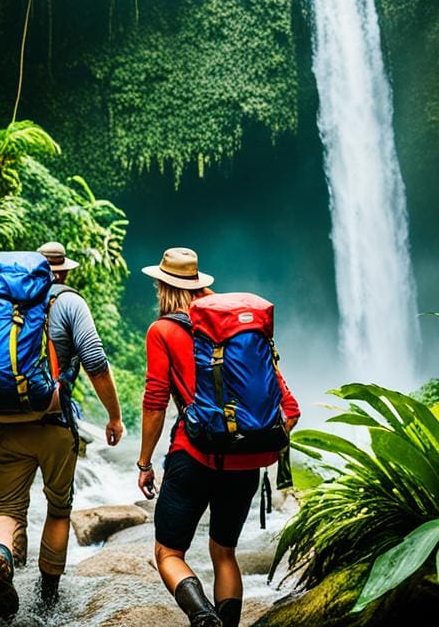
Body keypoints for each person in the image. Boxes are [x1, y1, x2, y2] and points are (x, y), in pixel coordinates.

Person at [136, 248, 300, 627]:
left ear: (162, 286)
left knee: (168, 553)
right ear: (199, 285)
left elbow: (155, 402)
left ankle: (201, 615)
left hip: (191, 457)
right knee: (224, 552)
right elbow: (289, 408)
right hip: (245, 465)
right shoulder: (240, 331)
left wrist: (145, 463)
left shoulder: (162, 330)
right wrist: (250, 440)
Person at [0, 241, 125, 620]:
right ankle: (47, 599)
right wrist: (114, 416)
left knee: (6, 510)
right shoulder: (70, 302)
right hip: (54, 424)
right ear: (65, 271)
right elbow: (96, 362)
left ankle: (0, 554)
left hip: (3, 424)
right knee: (58, 509)